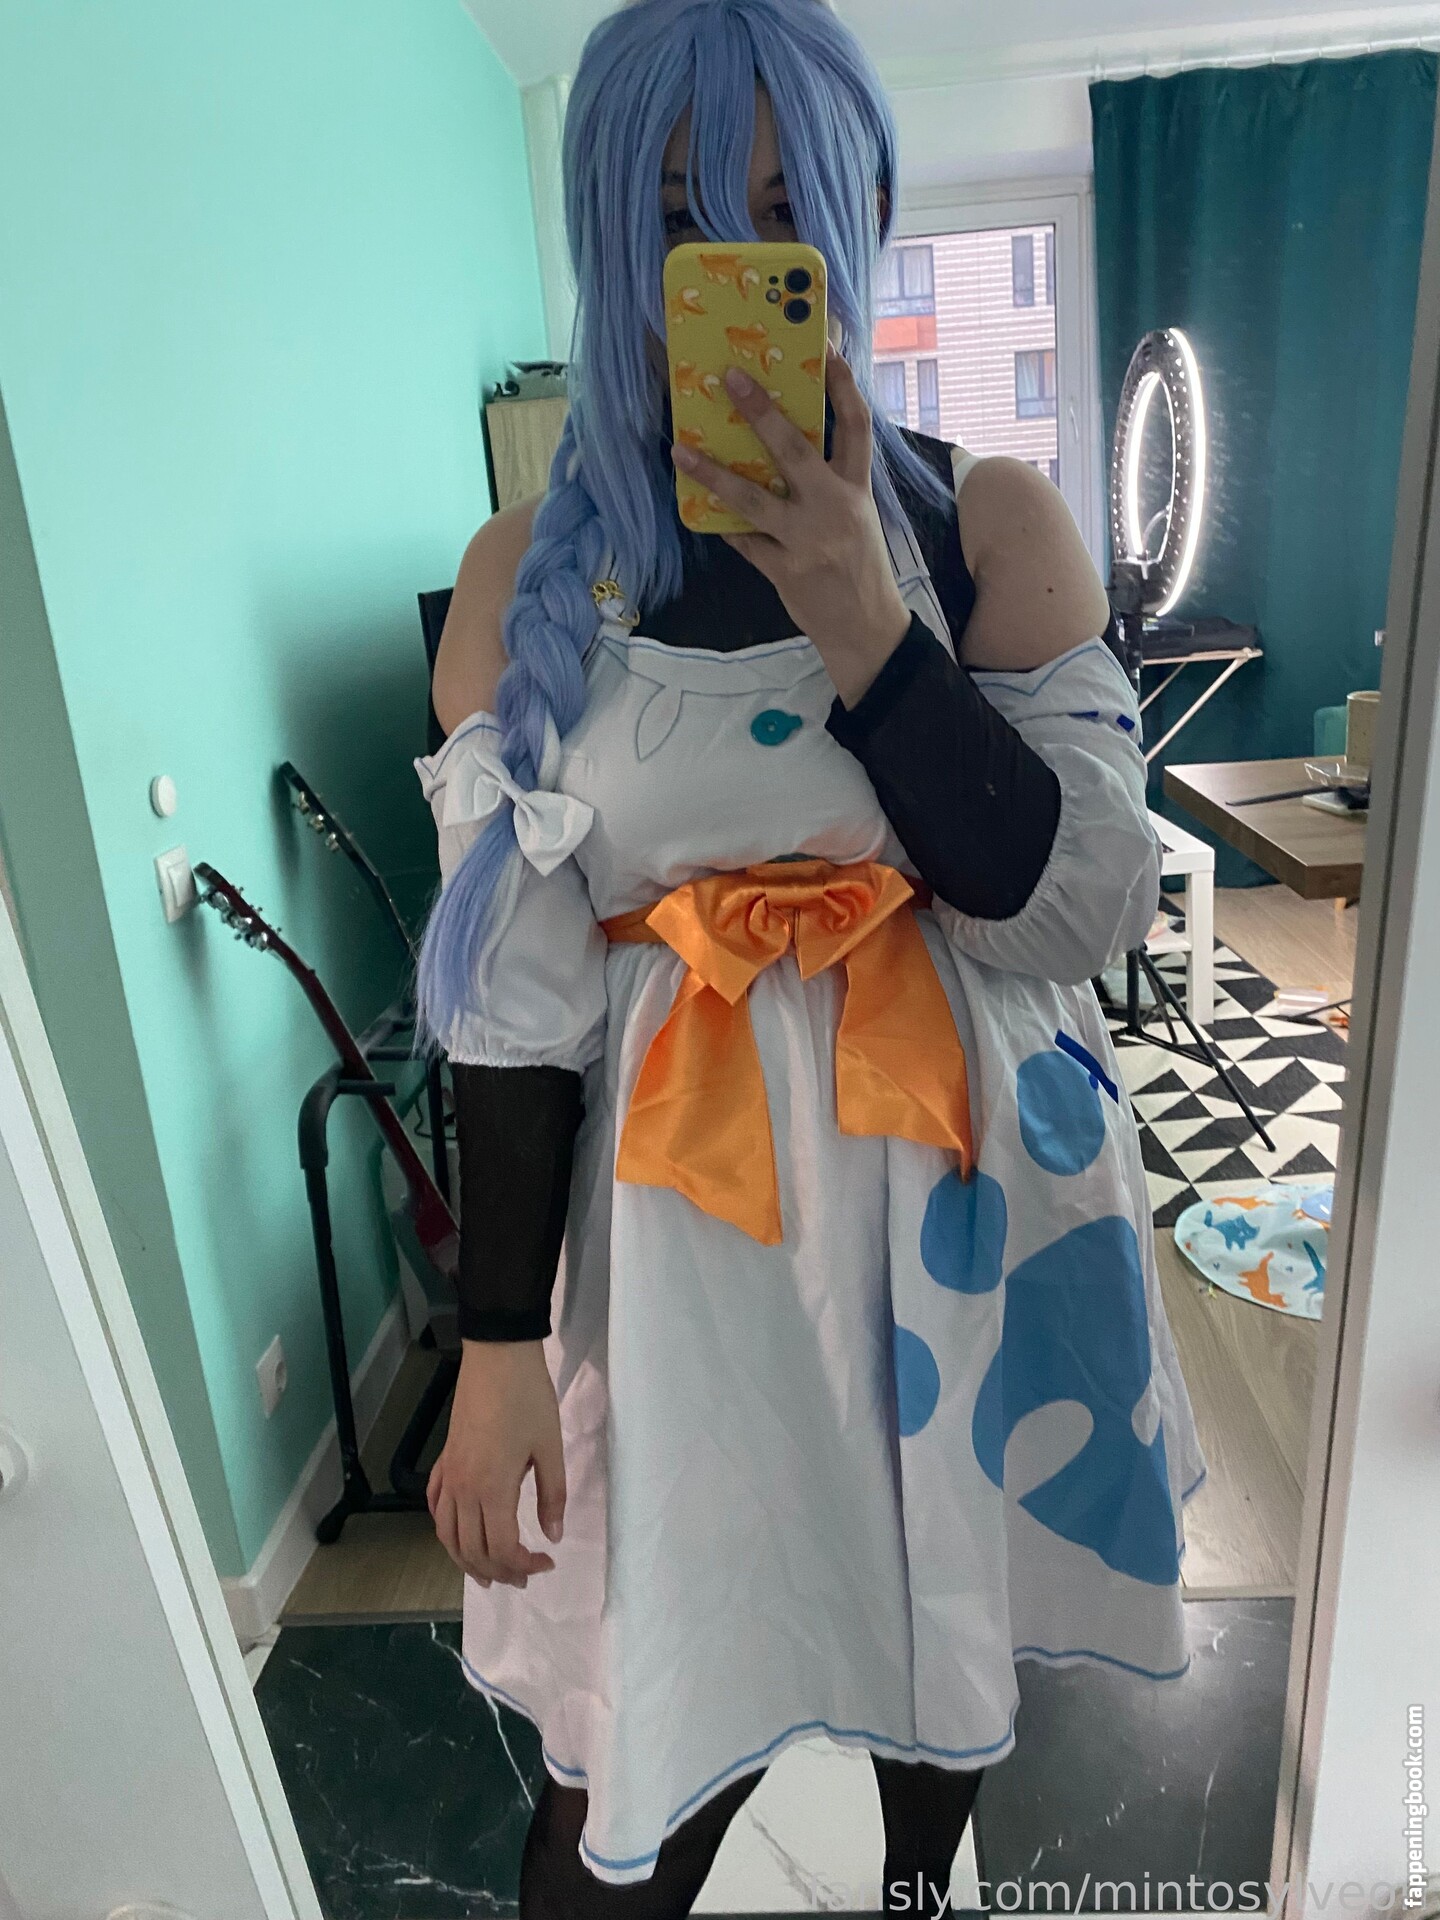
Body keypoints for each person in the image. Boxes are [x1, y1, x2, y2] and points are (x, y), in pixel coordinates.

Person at [415, 1, 1207, 1912]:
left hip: (970, 1216)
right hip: (680, 1261)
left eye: (777, 212)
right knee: (639, 1734)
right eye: (677, 214)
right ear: (609, 233)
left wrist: (864, 614)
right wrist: (497, 1344)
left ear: (857, 212)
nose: (726, 259)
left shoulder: (992, 522)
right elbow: (514, 1012)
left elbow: (1073, 910)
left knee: (943, 1669)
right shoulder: (527, 580)